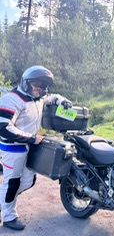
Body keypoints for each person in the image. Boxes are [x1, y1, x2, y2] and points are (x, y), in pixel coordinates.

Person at [0, 65, 72, 230]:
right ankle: (9, 217)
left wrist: (63, 101)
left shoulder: (38, 97)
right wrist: (31, 138)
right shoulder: (11, 99)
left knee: (28, 181)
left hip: (30, 146)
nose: (39, 89)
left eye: (42, 86)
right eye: (36, 85)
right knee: (12, 183)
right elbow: (3, 127)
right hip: (13, 148)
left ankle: (4, 203)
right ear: (26, 82)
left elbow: (52, 97)